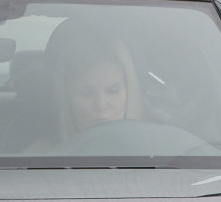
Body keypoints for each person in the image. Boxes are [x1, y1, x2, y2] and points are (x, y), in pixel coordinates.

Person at [22, 23, 143, 151]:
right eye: (86, 94)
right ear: (67, 97)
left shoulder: (159, 153)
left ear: (131, 92)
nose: (101, 105)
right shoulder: (37, 160)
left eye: (113, 91)